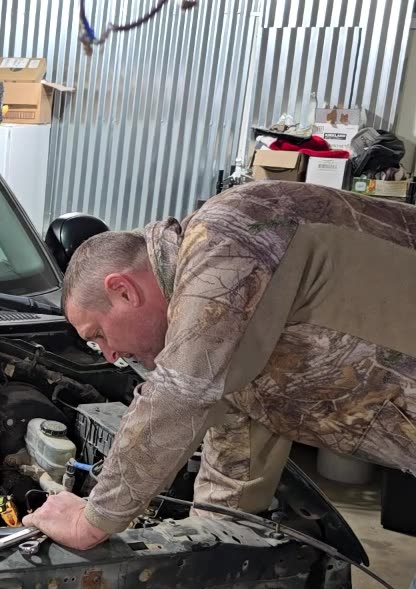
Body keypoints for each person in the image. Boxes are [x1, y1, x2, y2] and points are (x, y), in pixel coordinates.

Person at [23, 181, 416, 548]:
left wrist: (91, 521)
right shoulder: (230, 338)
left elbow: (179, 394)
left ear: (123, 290)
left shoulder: (225, 235)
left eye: (99, 335)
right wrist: (203, 541)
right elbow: (233, 476)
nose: (110, 356)